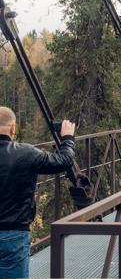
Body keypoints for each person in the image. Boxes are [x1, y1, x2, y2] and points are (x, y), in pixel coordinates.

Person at [0, 107, 77, 278]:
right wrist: (68, 139)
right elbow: (63, 161)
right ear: (13, 128)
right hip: (14, 234)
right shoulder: (26, 153)